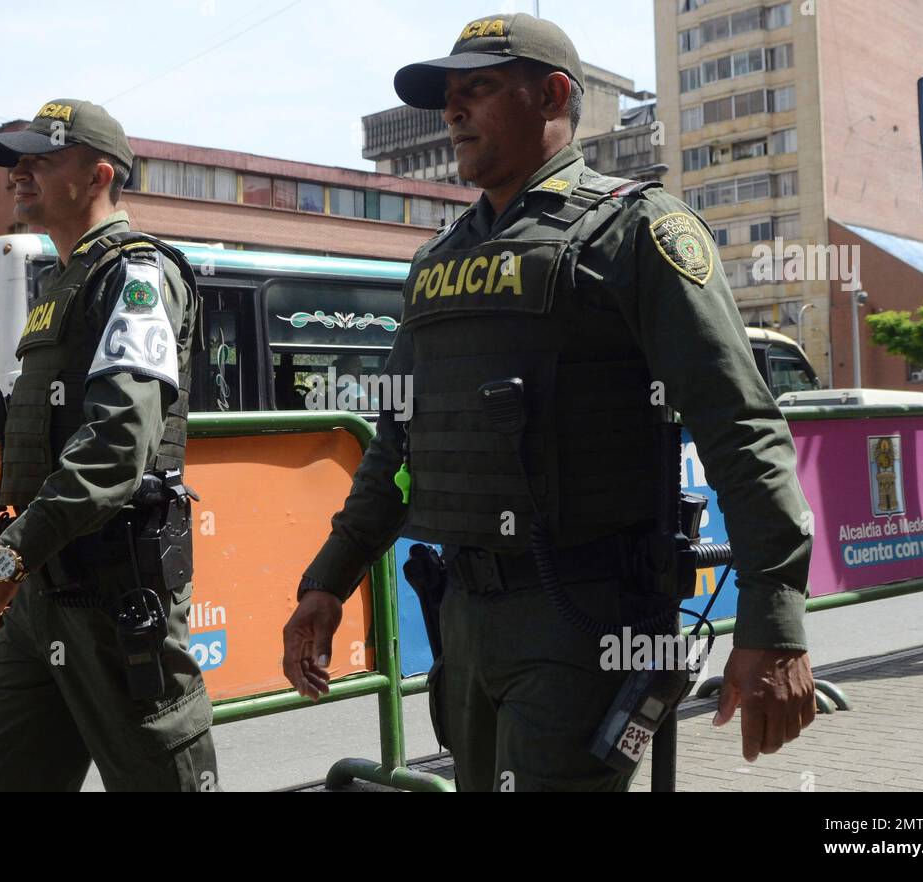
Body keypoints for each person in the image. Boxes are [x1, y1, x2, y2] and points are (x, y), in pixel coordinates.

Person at [281, 13, 816, 792]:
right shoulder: (439, 259)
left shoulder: (637, 231)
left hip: (585, 617)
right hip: (463, 622)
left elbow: (740, 426)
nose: (453, 110)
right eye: (448, 95)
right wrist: (328, 579)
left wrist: (775, 622)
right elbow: (398, 446)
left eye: (479, 89)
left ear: (552, 95)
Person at [0, 98, 217, 792]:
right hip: (41, 596)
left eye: (43, 158)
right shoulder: (60, 284)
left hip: (112, 594)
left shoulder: (137, 276)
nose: (20, 171)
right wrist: (17, 566)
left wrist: (6, 561)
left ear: (98, 176)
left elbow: (117, 445)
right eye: (16, 160)